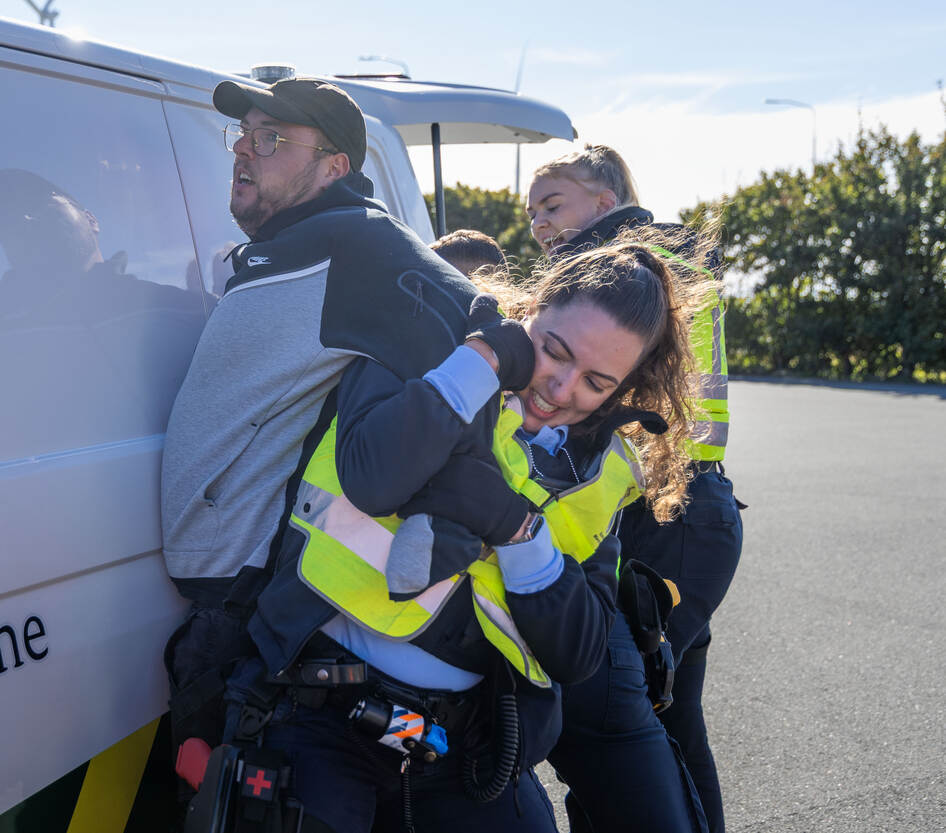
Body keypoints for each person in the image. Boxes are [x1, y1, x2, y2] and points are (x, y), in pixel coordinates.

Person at [232, 237, 712, 832]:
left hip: (461, 748)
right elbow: (374, 476)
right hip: (315, 716)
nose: (561, 390)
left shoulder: (605, 476)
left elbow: (579, 652)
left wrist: (516, 529)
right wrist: (482, 358)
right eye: (553, 351)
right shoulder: (425, 351)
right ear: (529, 312)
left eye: (596, 383)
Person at [159, 76, 486, 771]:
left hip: (255, 599)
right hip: (219, 596)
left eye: (271, 139)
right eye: (243, 136)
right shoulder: (292, 242)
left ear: (334, 166)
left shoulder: (359, 243)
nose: (245, 151)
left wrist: (454, 514)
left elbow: (486, 331)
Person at [526, 143, 743, 833]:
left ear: (605, 194)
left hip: (673, 513)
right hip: (684, 511)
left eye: (552, 204)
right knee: (672, 720)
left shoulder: (643, 260)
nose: (539, 225)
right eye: (531, 214)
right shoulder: (665, 251)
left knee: (627, 722)